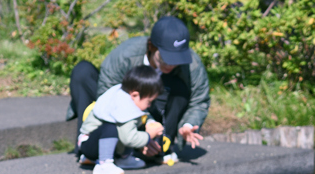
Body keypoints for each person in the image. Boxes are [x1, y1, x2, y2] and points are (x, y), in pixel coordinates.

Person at [68, 16, 209, 160]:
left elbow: (200, 100)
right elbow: (109, 101)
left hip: (158, 111)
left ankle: (162, 147)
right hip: (123, 112)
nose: (171, 65)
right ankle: (88, 148)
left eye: (177, 59)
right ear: (151, 46)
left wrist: (188, 125)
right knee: (82, 72)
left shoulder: (192, 64)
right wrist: (139, 135)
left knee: (179, 88)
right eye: (166, 57)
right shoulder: (124, 56)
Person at [77, 65, 164, 174]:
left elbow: (143, 114)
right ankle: (104, 164)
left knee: (124, 125)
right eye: (149, 102)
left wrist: (149, 122)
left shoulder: (127, 96)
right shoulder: (123, 106)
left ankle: (122, 158)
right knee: (112, 127)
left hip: (95, 142)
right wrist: (148, 136)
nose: (149, 105)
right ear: (135, 95)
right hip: (89, 144)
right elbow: (128, 138)